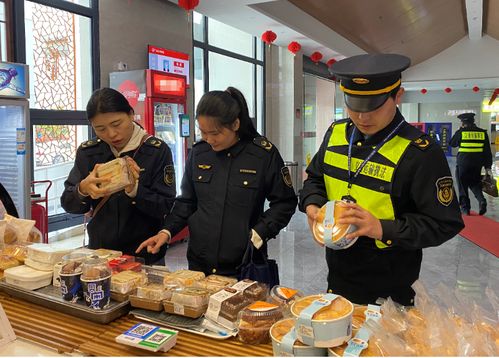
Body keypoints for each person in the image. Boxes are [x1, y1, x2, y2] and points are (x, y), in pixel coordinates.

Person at [299, 54, 464, 306]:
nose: (362, 117)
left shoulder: (420, 152)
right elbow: (315, 179)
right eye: (354, 106)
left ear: (398, 96)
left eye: (373, 107)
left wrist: (381, 229)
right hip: (338, 275)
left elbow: (444, 223)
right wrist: (313, 208)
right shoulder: (335, 134)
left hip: (390, 290)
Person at [137, 87, 297, 276]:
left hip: (244, 263)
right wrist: (166, 232)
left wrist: (258, 233)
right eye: (203, 132)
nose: (209, 139)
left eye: (215, 133)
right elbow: (187, 202)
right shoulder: (199, 153)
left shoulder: (262, 155)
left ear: (235, 124)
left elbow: (285, 202)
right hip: (199, 263)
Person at [61, 87, 176, 264]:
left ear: (131, 114)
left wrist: (134, 190)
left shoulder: (155, 151)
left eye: (116, 124)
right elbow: (69, 204)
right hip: (101, 254)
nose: (111, 134)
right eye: (100, 129)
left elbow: (165, 206)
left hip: (144, 254)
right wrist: (83, 189)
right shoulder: (89, 152)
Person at [449, 112, 493, 215]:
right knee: (475, 183)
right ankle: (481, 200)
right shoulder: (482, 133)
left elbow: (452, 143)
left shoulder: (461, 132)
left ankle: (465, 208)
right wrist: (488, 167)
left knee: (462, 184)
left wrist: (459, 130)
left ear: (463, 122)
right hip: (477, 164)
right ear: (473, 121)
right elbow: (487, 152)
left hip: (463, 164)